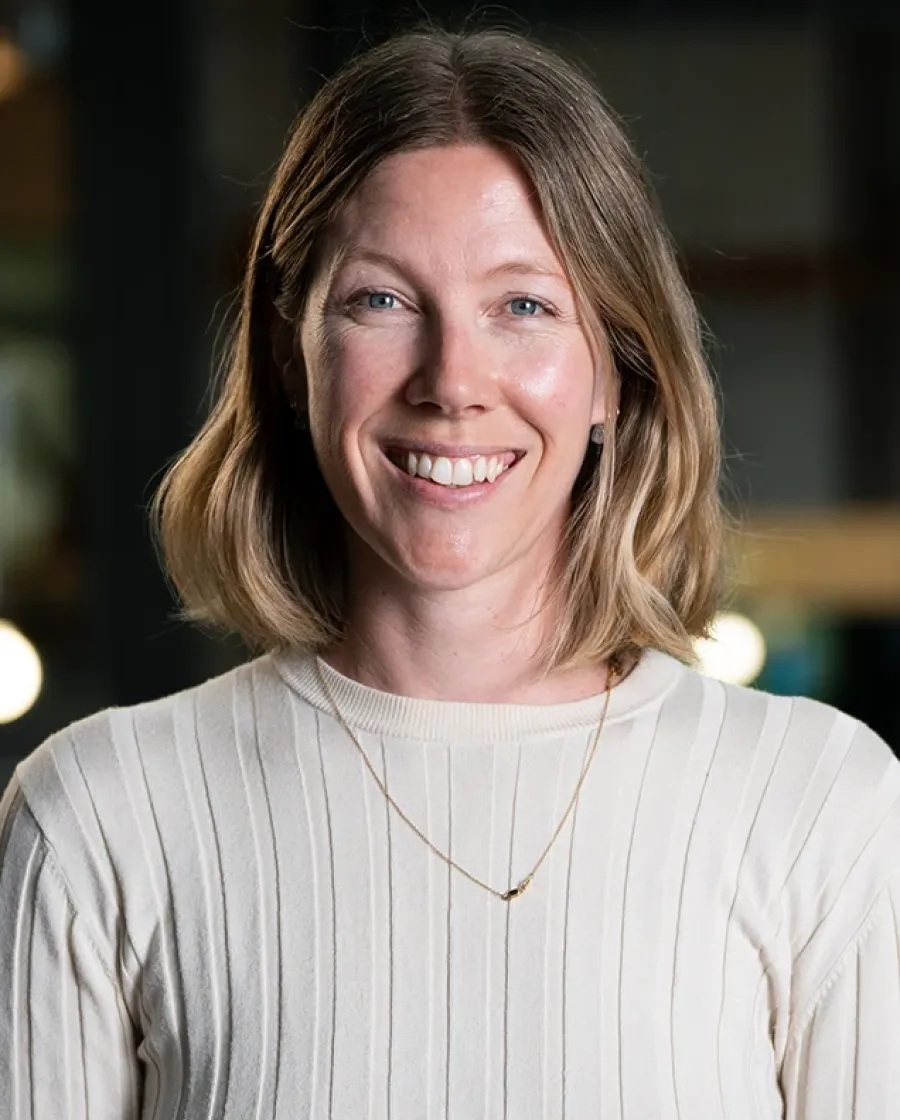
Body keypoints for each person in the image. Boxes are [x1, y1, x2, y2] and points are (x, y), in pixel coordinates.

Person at [1, 25, 898, 1119]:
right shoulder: (98, 817)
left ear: (616, 370)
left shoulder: (822, 806)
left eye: (524, 305)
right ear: (290, 356)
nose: (452, 381)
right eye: (380, 300)